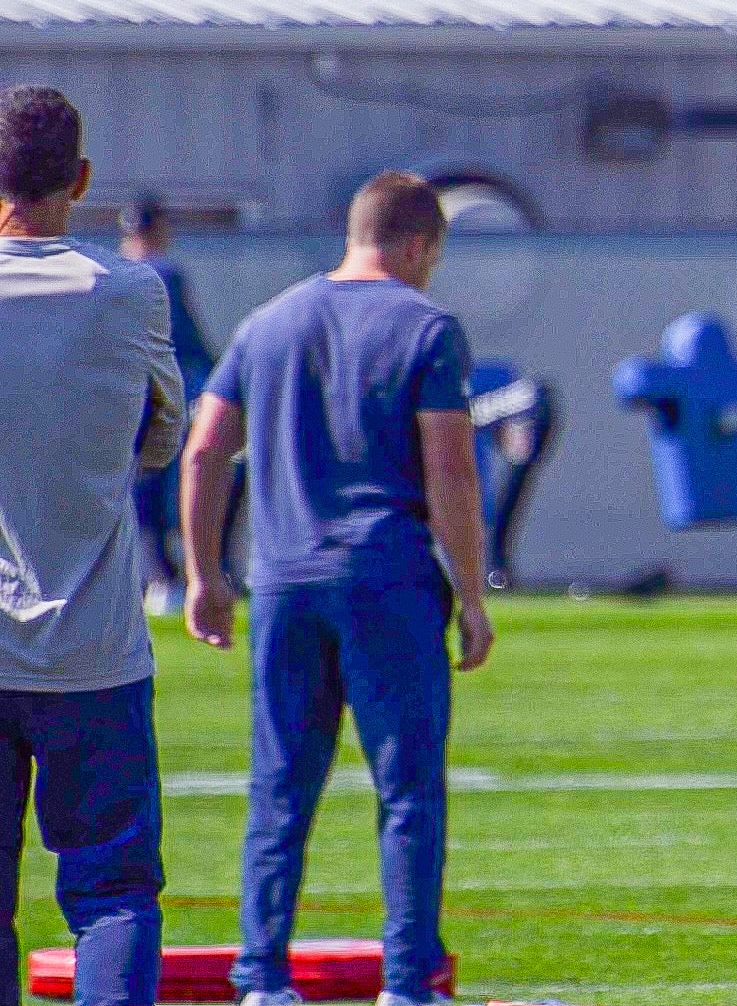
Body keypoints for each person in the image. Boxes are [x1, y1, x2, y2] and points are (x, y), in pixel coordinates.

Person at [180, 171, 495, 1006]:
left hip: (283, 582)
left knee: (280, 789)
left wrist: (204, 573)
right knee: (408, 796)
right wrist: (471, 594)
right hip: (386, 578)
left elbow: (207, 448)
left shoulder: (268, 322)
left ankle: (260, 977)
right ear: (420, 244)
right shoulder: (427, 327)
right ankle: (404, 984)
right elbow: (452, 470)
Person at [0, 86, 184, 1006]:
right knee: (112, 896)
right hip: (94, 648)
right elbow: (161, 435)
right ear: (81, 180)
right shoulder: (129, 291)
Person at [119, 194, 217, 610]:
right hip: (160, 397)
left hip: (122, 398)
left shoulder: (115, 271)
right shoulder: (165, 274)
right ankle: (170, 576)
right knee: (169, 486)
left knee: (138, 492)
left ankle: (154, 574)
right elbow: (186, 342)